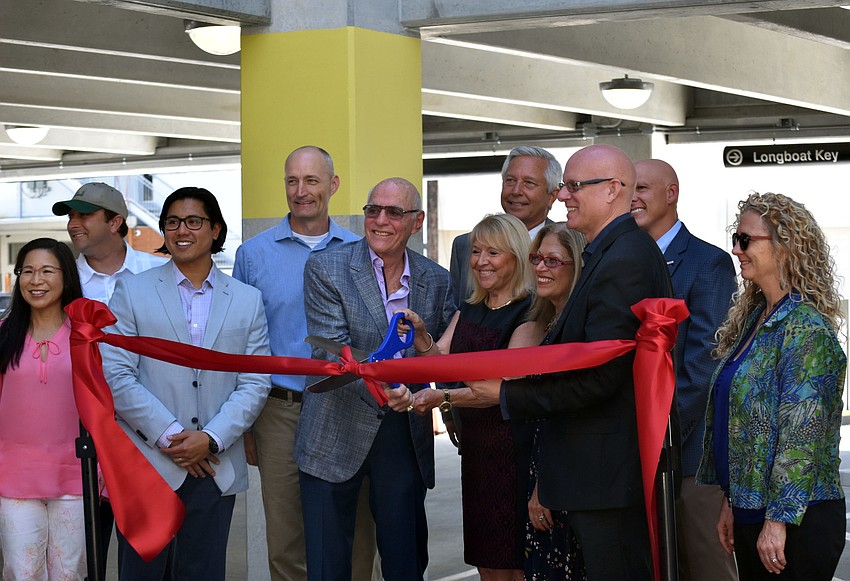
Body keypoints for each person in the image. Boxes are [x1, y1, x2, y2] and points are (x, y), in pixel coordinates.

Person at [468, 144, 671, 580]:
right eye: (564, 187)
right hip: (594, 476)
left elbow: (600, 378)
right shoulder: (611, 252)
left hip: (605, 477)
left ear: (613, 189)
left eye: (575, 186)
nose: (563, 196)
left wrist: (506, 393)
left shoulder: (625, 259)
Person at [101, 187, 271, 580]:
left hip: (215, 464)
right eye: (173, 222)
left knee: (203, 571)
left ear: (215, 230)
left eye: (194, 222)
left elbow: (255, 379)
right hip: (148, 462)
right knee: (141, 573)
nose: (182, 231)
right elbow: (117, 374)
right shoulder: (132, 291)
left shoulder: (246, 299)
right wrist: (172, 436)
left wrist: (210, 438)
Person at [295, 177, 455, 580]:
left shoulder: (436, 279)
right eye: (373, 210)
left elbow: (440, 357)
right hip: (335, 427)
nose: (380, 220)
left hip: (403, 434)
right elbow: (332, 350)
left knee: (405, 563)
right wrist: (389, 387)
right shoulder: (326, 267)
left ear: (417, 221)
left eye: (394, 212)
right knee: (328, 567)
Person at [233, 146, 378, 581]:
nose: (301, 191)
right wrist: (246, 425)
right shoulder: (253, 255)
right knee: (286, 540)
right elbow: (242, 344)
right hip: (281, 411)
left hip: (347, 407)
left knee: (355, 532)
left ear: (333, 186)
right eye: (292, 181)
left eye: (312, 180)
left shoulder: (361, 251)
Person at [697, 192, 846, 581]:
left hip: (796, 520)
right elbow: (741, 427)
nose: (736, 249)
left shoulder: (805, 329)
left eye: (745, 239)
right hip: (753, 512)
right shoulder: (757, 319)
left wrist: (777, 522)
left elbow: (802, 439)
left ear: (784, 246)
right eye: (736, 238)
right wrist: (731, 502)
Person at [402, 213, 535, 581]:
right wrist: (421, 334)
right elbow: (441, 363)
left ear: (516, 257)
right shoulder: (471, 307)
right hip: (477, 450)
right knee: (485, 559)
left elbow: (501, 390)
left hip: (512, 452)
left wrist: (441, 399)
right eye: (476, 251)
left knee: (513, 563)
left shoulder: (530, 313)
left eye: (493, 252)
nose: (480, 261)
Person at [52, 181, 168, 577]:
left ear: (116, 222)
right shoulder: (59, 281)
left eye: (84, 215)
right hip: (78, 432)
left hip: (150, 430)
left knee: (149, 554)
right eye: (71, 215)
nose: (74, 223)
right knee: (83, 555)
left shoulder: (157, 273)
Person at [630, 159, 738, 581]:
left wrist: (658, 433)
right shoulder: (623, 261)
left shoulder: (708, 263)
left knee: (704, 567)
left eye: (642, 188)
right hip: (635, 452)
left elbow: (704, 365)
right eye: (628, 189)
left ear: (671, 193)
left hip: (689, 455)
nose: (632, 198)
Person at [0, 238, 85, 580]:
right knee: (22, 571)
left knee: (69, 572)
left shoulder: (86, 337)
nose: (36, 280)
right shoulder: (3, 335)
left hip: (74, 473)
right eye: (28, 271)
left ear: (66, 277)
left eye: (47, 271)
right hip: (13, 475)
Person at [519, 223, 587, 580]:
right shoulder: (547, 324)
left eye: (553, 261)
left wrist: (542, 488)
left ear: (578, 267)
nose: (541, 268)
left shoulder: (579, 332)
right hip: (543, 471)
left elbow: (566, 419)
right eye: (537, 259)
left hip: (564, 481)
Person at [449, 146, 560, 306]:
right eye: (510, 181)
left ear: (552, 196)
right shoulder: (465, 245)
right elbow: (457, 311)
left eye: (529, 183)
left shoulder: (567, 245)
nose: (516, 191)